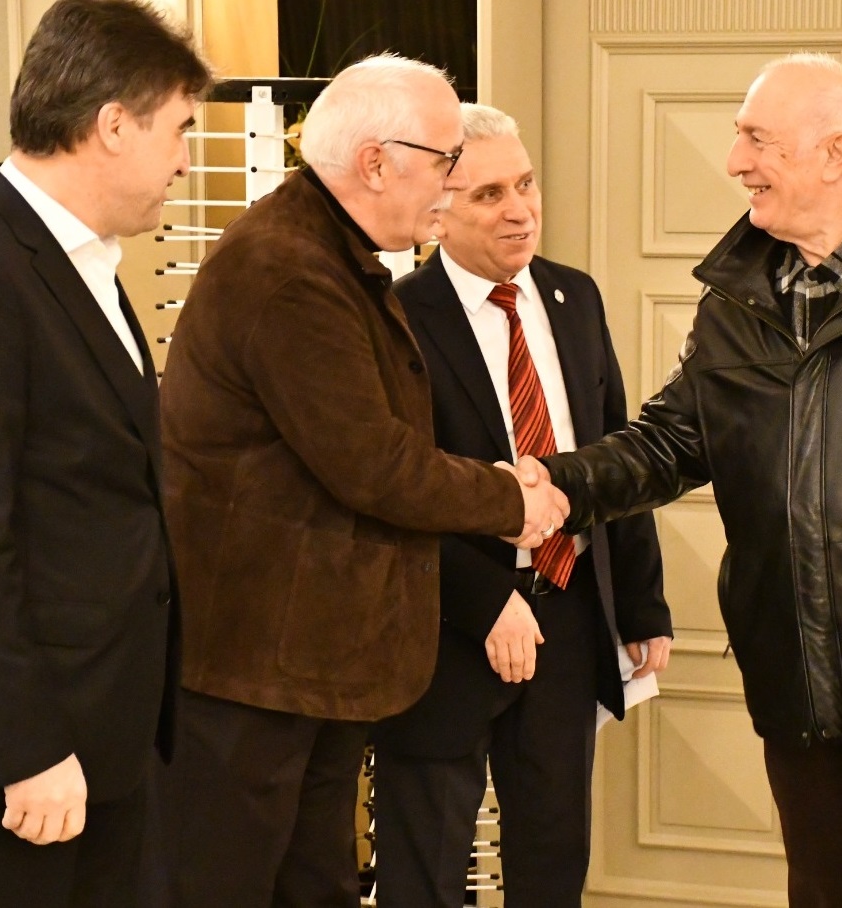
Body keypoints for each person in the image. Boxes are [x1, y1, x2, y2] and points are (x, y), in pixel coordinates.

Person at [538, 54, 842, 908]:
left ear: (836, 154)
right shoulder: (735, 296)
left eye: (757, 140)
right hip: (790, 673)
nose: (734, 162)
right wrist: (554, 488)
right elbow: (670, 441)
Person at [156, 56, 568, 908]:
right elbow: (373, 462)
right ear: (377, 163)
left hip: (306, 662)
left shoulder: (329, 255)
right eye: (446, 162)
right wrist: (511, 500)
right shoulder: (288, 269)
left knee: (315, 886)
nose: (450, 186)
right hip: (254, 671)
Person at [0, 1, 206, 904]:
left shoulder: (84, 263)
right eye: (180, 129)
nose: (186, 160)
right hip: (24, 761)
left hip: (104, 736)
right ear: (113, 125)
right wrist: (27, 750)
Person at [368, 103, 670, 908]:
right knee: (424, 872)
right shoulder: (395, 317)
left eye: (526, 185)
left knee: (552, 861)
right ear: (437, 213)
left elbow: (618, 454)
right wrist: (485, 601)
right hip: (444, 630)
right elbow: (391, 490)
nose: (520, 211)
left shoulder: (575, 296)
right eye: (489, 194)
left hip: (568, 616)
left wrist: (642, 603)